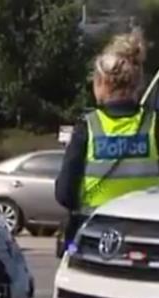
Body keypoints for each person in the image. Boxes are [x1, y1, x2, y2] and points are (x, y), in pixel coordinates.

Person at [55, 27, 159, 254]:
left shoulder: (88, 127)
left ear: (102, 83)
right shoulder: (153, 125)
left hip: (92, 238)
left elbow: (64, 193)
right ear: (137, 83)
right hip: (147, 240)